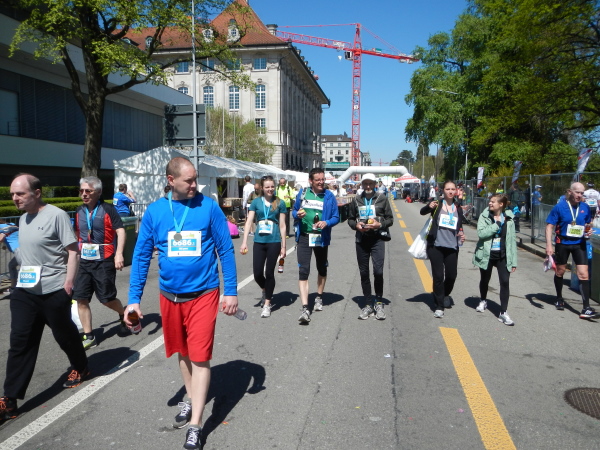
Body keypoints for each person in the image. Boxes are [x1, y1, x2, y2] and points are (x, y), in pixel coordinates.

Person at [126, 157, 238, 450]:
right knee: (183, 352)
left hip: (203, 293)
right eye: (189, 180)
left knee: (200, 357)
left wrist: (231, 291)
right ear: (170, 180)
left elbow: (226, 250)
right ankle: (191, 397)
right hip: (169, 296)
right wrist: (133, 299)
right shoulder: (156, 211)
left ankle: (195, 425)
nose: (194, 185)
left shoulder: (209, 207)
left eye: (195, 178)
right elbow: (141, 256)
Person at [0, 174, 89, 423]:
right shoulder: (22, 219)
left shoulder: (56, 215)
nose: (15, 198)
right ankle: (9, 400)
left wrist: (68, 284)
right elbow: (28, 251)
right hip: (25, 291)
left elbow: (73, 252)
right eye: (12, 194)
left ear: (37, 193)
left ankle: (81, 366)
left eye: (20, 193)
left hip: (53, 289)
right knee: (20, 342)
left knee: (64, 335)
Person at [74, 177, 127, 350]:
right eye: (81, 191)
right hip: (84, 261)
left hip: (104, 260)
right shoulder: (79, 211)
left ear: (98, 192)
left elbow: (120, 231)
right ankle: (89, 335)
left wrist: (119, 254)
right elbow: (77, 235)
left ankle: (123, 313)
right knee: (81, 298)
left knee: (106, 299)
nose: (84, 194)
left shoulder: (108, 209)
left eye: (88, 191)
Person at [292, 167, 340, 324]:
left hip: (321, 237)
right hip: (304, 236)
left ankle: (319, 296)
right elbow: (294, 211)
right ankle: (305, 308)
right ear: (310, 181)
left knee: (322, 268)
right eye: (318, 180)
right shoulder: (303, 193)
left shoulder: (329, 196)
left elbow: (336, 217)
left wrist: (327, 222)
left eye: (322, 179)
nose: (321, 182)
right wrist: (297, 214)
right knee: (303, 270)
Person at [545, 182, 597, 319]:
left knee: (584, 274)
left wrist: (589, 229)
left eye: (582, 193)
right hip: (563, 243)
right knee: (560, 271)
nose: (580, 195)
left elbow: (588, 223)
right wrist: (549, 245)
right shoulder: (560, 207)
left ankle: (586, 308)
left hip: (579, 243)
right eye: (578, 192)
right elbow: (549, 226)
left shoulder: (585, 207)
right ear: (570, 192)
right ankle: (559, 298)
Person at [347, 173, 394, 320]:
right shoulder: (356, 200)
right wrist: (356, 225)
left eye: (370, 183)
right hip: (361, 240)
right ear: (362, 185)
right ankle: (368, 304)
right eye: (365, 183)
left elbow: (390, 219)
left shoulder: (382, 198)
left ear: (375, 184)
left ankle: (378, 302)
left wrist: (379, 224)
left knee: (378, 272)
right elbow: (350, 219)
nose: (368, 186)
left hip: (377, 239)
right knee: (364, 272)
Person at [240, 176, 287, 318]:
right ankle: (265, 290)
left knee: (269, 273)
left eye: (272, 186)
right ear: (262, 188)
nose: (270, 189)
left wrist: (284, 246)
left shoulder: (279, 202)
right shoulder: (256, 202)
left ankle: (267, 303)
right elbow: (249, 222)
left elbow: (283, 225)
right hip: (259, 241)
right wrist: (244, 242)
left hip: (274, 241)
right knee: (257, 273)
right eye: (267, 187)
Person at [420, 180, 466, 318]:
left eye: (453, 189)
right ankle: (439, 305)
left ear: (456, 191)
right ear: (443, 191)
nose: (450, 191)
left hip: (452, 246)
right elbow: (422, 212)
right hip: (436, 246)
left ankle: (443, 294)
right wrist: (428, 206)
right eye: (448, 189)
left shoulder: (458, 207)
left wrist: (461, 234)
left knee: (452, 275)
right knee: (438, 276)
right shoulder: (437, 204)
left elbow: (459, 225)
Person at [473, 194, 517, 325]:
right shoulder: (484, 216)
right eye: (490, 201)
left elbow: (512, 240)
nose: (490, 203)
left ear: (501, 204)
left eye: (493, 202)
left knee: (505, 282)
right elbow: (481, 233)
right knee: (485, 279)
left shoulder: (509, 219)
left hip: (503, 255)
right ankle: (483, 300)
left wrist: (514, 261)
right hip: (487, 254)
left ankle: (503, 312)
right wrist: (496, 225)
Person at [0, 220, 20, 296]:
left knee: (27, 269)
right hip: (26, 248)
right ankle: (13, 287)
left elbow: (1, 238)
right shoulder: (11, 224)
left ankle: (22, 291)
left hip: (19, 251)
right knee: (11, 265)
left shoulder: (1, 229)